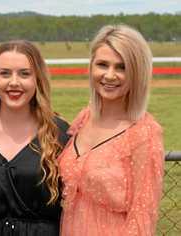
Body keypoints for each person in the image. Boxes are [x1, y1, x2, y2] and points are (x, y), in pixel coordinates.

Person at [58, 24, 165, 235]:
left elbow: (142, 217)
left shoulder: (144, 133)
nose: (109, 75)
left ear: (137, 72)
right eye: (102, 64)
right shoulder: (84, 118)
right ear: (91, 67)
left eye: (121, 67)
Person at [0, 40, 69, 235]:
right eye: (5, 73)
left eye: (24, 74)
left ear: (37, 79)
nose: (14, 82)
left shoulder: (59, 133)